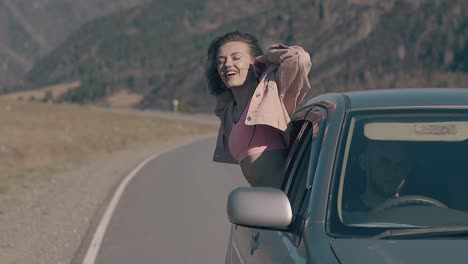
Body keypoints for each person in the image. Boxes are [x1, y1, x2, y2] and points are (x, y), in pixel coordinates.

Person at [205, 31, 312, 188]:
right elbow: (219, 86)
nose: (227, 63)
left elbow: (298, 58)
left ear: (253, 62)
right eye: (221, 61)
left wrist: (264, 59)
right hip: (265, 205)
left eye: (236, 58)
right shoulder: (228, 110)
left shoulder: (272, 92)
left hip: (289, 202)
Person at [343, 140, 411, 221]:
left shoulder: (417, 214)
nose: (392, 171)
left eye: (400, 164)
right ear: (364, 163)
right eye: (384, 163)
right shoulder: (345, 217)